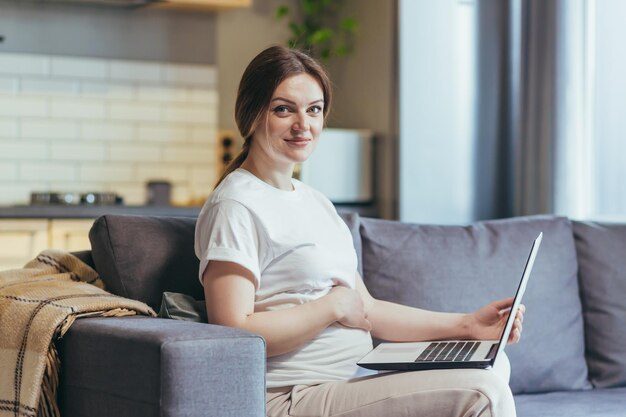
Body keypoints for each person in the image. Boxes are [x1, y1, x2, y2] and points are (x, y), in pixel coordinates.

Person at [194, 45, 524, 417]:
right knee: (482, 390)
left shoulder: (316, 202)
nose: (304, 125)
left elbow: (366, 308)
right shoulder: (235, 205)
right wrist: (330, 306)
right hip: (293, 395)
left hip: (354, 379)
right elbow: (234, 330)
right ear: (252, 115)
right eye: (284, 109)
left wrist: (468, 325)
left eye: (314, 109)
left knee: (492, 364)